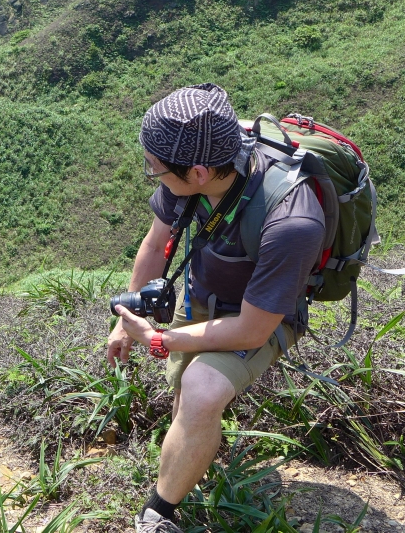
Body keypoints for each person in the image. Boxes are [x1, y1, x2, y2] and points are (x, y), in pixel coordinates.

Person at [105, 84, 325, 532]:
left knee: (203, 388)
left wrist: (160, 339)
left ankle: (157, 513)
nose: (152, 173)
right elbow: (153, 245)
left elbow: (250, 330)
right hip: (201, 296)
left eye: (155, 169)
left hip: (263, 316)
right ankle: (190, 458)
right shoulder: (186, 179)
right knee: (187, 390)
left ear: (201, 171)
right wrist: (127, 321)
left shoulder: (292, 220)